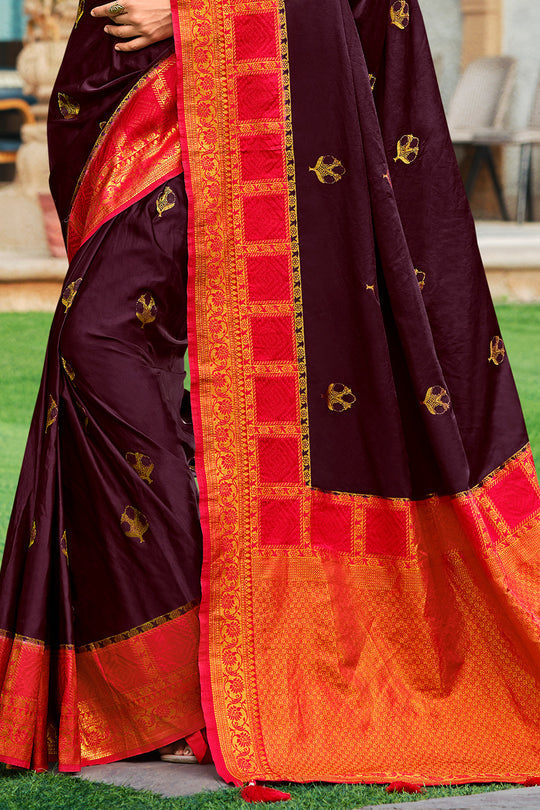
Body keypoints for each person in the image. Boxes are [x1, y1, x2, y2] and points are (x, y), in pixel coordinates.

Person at [0, 0, 539, 789]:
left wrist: (188, 13)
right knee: (113, 357)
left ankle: (200, 675)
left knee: (101, 341)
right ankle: (178, 677)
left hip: (223, 106)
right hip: (128, 99)